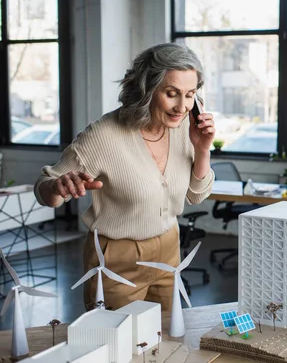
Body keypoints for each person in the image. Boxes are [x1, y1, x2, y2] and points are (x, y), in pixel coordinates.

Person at [34, 43, 215, 312]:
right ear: (146, 90)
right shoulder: (103, 135)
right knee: (119, 345)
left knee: (165, 341)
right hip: (117, 257)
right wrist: (57, 186)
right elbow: (44, 191)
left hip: (169, 249)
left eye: (190, 95)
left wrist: (202, 149)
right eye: (172, 93)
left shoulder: (184, 128)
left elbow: (196, 194)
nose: (182, 106)